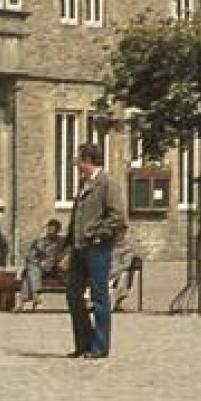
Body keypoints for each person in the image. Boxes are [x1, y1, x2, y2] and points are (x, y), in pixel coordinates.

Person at [65, 142, 126, 360]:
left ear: (88, 161)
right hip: (79, 247)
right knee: (73, 294)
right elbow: (76, 217)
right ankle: (84, 342)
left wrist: (98, 233)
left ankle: (100, 346)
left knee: (100, 297)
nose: (76, 164)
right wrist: (67, 243)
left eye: (78, 159)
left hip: (97, 247)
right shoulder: (84, 183)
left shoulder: (106, 183)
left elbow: (118, 217)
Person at [17, 218, 66, 310]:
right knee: (31, 268)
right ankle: (35, 296)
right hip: (40, 268)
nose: (51, 232)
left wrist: (56, 261)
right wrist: (38, 262)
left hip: (55, 269)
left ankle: (22, 302)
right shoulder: (39, 241)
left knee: (29, 273)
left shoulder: (62, 242)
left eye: (53, 230)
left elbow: (66, 255)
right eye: (49, 229)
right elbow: (30, 256)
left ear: (58, 231)